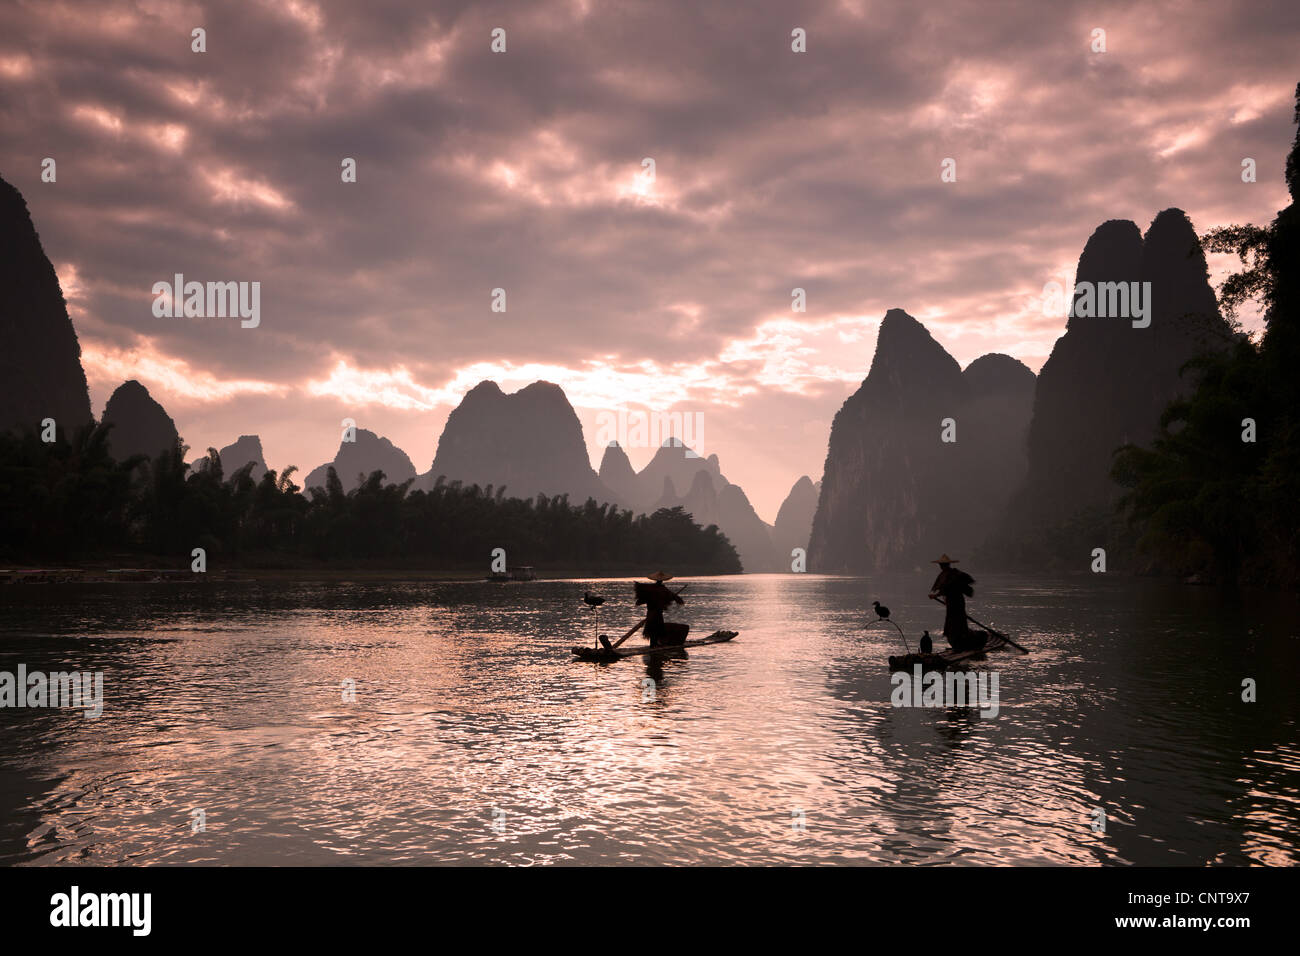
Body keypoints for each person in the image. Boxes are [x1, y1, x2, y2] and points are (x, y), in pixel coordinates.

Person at [928, 554, 986, 652]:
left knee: (958, 622)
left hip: (957, 602)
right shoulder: (945, 575)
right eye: (941, 565)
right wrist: (938, 596)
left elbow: (947, 588)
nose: (941, 566)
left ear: (947, 565)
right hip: (951, 603)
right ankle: (959, 641)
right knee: (952, 623)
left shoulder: (953, 574)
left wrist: (935, 596)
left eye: (943, 564)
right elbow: (945, 589)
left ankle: (963, 641)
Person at [635, 572, 689, 647]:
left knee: (652, 629)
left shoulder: (650, 590)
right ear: (662, 580)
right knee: (657, 629)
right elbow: (671, 598)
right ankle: (653, 645)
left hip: (650, 613)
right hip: (657, 614)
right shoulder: (662, 590)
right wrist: (672, 598)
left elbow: (639, 602)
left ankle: (653, 644)